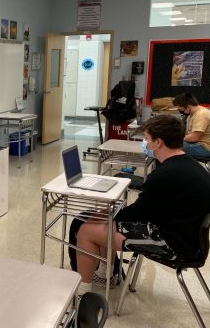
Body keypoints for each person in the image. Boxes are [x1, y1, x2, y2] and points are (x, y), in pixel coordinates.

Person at [75, 114, 210, 297]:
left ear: (158, 142)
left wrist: (109, 215)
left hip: (173, 244)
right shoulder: (192, 166)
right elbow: (149, 208)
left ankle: (82, 293)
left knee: (87, 230)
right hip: (188, 239)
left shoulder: (165, 174)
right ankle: (105, 275)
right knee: (106, 222)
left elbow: (139, 213)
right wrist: (112, 215)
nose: (144, 143)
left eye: (146, 139)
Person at [172, 93, 210, 158]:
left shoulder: (201, 115)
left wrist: (177, 139)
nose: (180, 111)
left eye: (181, 110)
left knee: (169, 146)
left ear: (188, 107)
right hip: (198, 144)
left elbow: (193, 138)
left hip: (205, 147)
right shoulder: (192, 114)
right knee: (169, 144)